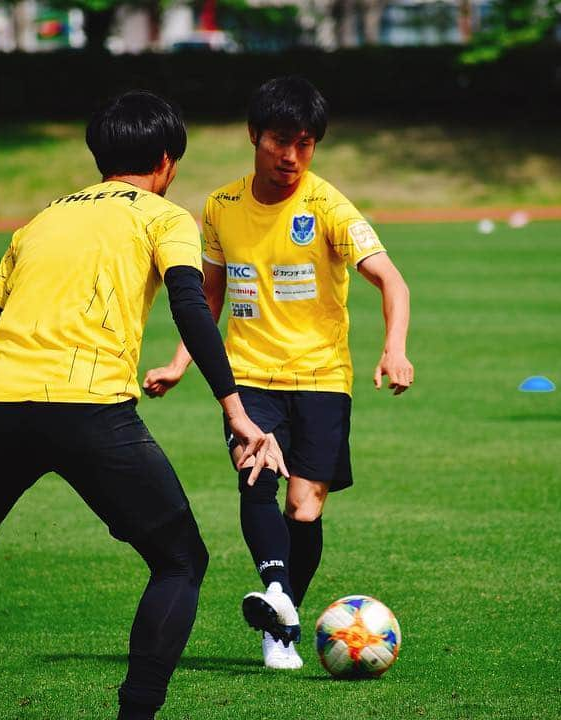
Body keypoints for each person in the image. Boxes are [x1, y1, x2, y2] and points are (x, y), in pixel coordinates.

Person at [0, 90, 285, 720]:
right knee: (180, 561)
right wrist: (234, 408)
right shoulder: (165, 217)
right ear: (168, 161)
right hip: (91, 410)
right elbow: (189, 302)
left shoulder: (39, 221)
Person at [143, 76, 413, 669]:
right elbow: (207, 301)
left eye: (305, 143)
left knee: (305, 509)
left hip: (322, 379)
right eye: (279, 141)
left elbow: (392, 279)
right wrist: (180, 363)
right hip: (250, 378)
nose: (291, 156)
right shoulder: (221, 206)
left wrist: (394, 349)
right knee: (254, 475)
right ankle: (275, 599)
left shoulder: (328, 206)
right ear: (253, 137)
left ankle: (282, 617)